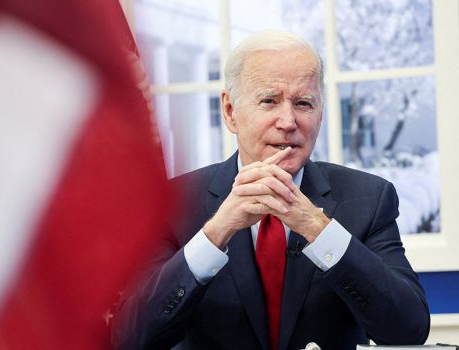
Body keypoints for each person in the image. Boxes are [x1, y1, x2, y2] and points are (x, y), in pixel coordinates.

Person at [111, 30, 430, 350]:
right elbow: (131, 338)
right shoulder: (171, 203)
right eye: (269, 101)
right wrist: (215, 234)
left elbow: (409, 331)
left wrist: (319, 229)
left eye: (304, 103)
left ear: (320, 114)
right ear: (230, 111)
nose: (288, 121)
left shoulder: (370, 198)